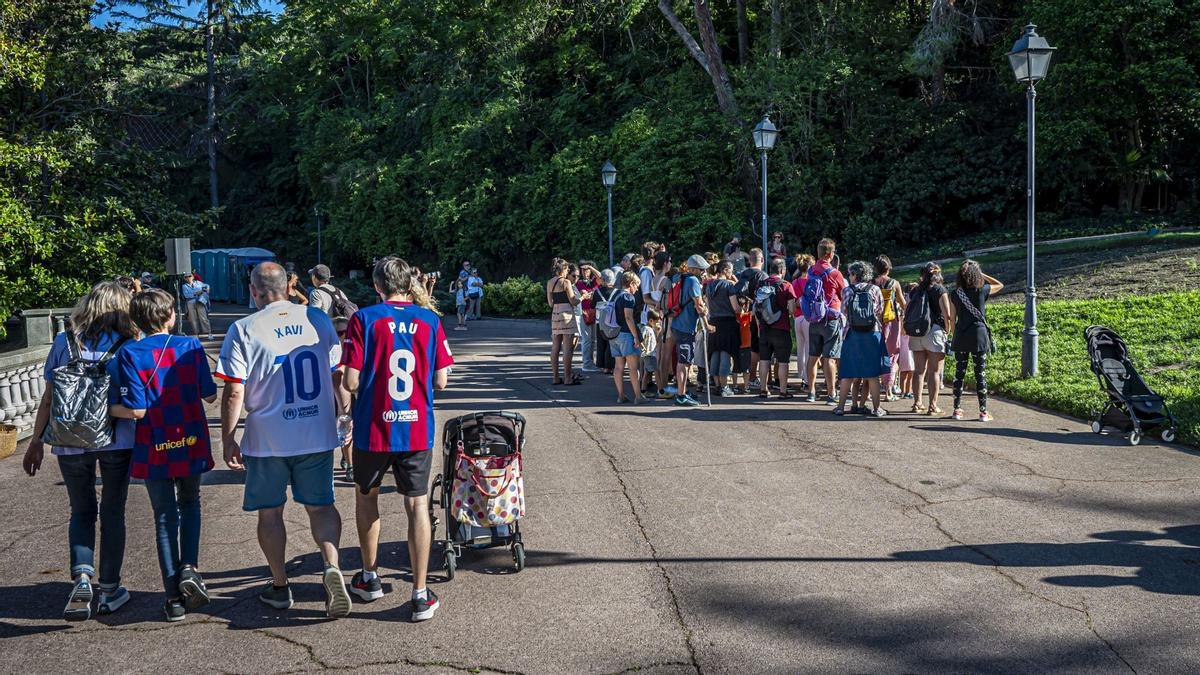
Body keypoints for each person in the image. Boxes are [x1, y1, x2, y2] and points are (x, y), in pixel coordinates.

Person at [216, 262, 353, 619]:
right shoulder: (318, 320)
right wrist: (343, 415)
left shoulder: (244, 328)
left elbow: (233, 391)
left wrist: (229, 438)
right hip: (316, 433)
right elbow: (336, 375)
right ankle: (332, 565)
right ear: (289, 287)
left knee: (270, 513)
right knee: (321, 507)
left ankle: (279, 586)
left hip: (268, 439)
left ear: (253, 290)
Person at [339, 256, 452, 621]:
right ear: (409, 284)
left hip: (374, 426)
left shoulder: (364, 319)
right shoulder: (430, 320)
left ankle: (369, 578)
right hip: (416, 426)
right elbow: (441, 381)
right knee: (418, 506)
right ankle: (419, 594)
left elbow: (351, 381)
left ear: (377, 286)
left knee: (366, 497)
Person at [23, 282, 138, 622]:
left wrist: (36, 441)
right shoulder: (129, 344)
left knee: (82, 510)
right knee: (113, 512)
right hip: (117, 439)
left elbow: (48, 397)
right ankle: (110, 589)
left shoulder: (64, 342)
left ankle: (82, 575)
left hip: (68, 439)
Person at [105, 289, 217, 621]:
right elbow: (209, 396)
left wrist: (109, 408)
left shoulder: (129, 353)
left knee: (165, 517)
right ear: (170, 316)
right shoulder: (190, 346)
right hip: (190, 438)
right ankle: (190, 569)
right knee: (191, 502)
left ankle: (173, 599)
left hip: (154, 443)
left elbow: (136, 410)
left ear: (136, 320)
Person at [832, 261, 890, 417]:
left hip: (852, 334)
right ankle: (877, 409)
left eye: (850, 274)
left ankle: (840, 407)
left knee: (848, 373)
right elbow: (879, 311)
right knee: (872, 374)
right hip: (873, 334)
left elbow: (844, 312)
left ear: (855, 275)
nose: (849, 276)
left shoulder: (846, 291)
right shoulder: (875, 289)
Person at [950, 260, 1004, 422]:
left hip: (961, 334)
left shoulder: (955, 294)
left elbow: (952, 319)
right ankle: (983, 412)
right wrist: (981, 275)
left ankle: (957, 410)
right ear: (976, 275)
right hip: (979, 335)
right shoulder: (982, 290)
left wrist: (955, 336)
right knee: (980, 374)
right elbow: (1000, 285)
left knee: (959, 374)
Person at [804, 239, 847, 404]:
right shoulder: (835, 273)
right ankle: (831, 394)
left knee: (813, 356)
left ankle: (811, 392)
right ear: (830, 254)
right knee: (829, 357)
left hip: (814, 318)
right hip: (831, 318)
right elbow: (844, 294)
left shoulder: (811, 271)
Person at [909, 263, 953, 416]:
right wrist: (947, 330)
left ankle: (917, 403)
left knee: (919, 371)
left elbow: (909, 309)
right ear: (938, 275)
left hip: (916, 332)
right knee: (934, 372)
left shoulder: (915, 290)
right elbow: (947, 314)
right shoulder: (940, 290)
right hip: (934, 331)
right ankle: (932, 407)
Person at [756, 257, 798, 399]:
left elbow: (756, 307)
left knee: (764, 359)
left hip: (764, 327)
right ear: (782, 270)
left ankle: (763, 389)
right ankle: (783, 391)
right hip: (781, 328)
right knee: (783, 361)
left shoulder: (761, 284)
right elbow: (792, 310)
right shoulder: (786, 285)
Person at [671, 255, 708, 407]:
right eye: (701, 269)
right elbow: (699, 305)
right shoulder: (692, 281)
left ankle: (683, 391)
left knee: (684, 361)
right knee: (684, 362)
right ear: (693, 269)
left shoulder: (678, 277)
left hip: (677, 323)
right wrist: (707, 323)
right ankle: (681, 395)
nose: (704, 272)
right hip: (686, 326)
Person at [705, 261, 740, 397]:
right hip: (727, 322)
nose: (732, 273)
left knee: (715, 352)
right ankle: (725, 386)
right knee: (725, 353)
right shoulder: (728, 285)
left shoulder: (709, 286)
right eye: (731, 270)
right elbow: (736, 307)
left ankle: (717, 385)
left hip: (713, 321)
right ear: (725, 270)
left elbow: (708, 306)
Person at [873, 256, 905, 401]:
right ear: (889, 268)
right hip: (892, 323)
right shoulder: (894, 283)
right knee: (892, 356)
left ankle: (871, 390)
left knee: (875, 355)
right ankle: (888, 391)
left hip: (876, 323)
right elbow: (903, 303)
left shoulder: (872, 283)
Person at [608, 272, 644, 404]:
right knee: (633, 368)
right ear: (632, 284)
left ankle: (621, 396)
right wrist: (636, 336)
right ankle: (638, 397)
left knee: (618, 367)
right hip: (626, 334)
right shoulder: (628, 297)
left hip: (614, 334)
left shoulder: (615, 294)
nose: (637, 289)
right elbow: (628, 318)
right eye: (637, 286)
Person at [735, 248, 768, 389]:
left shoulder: (743, 274)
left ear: (749, 261)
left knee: (745, 346)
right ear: (762, 260)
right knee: (756, 348)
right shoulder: (763, 276)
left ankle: (747, 377)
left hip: (743, 315)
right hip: (757, 316)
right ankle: (753, 378)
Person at [546, 259, 583, 385]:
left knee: (555, 347)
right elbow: (573, 301)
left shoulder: (550, 282)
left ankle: (555, 377)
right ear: (564, 269)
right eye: (567, 269)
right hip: (567, 316)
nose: (568, 272)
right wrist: (583, 297)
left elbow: (550, 303)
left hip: (555, 315)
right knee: (567, 348)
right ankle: (567, 378)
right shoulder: (566, 282)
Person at [790, 254, 816, 391]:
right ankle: (808, 379)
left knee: (801, 350)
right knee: (809, 350)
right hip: (809, 318)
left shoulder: (795, 282)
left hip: (798, 318)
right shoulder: (813, 281)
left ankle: (802, 377)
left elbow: (793, 302)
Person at [576, 262, 602, 373]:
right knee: (586, 339)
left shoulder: (595, 282)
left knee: (592, 340)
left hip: (595, 312)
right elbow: (582, 295)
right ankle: (586, 364)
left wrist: (591, 267)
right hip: (584, 312)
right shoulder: (579, 283)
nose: (585, 272)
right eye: (583, 271)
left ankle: (590, 362)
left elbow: (600, 276)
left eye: (587, 270)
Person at [593, 270, 619, 375]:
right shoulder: (617, 291)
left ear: (603, 279)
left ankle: (602, 366)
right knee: (611, 343)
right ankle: (610, 366)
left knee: (601, 343)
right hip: (612, 321)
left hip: (600, 321)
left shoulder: (597, 292)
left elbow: (592, 305)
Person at [640, 308, 661, 393]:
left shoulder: (651, 329)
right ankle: (661, 391)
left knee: (647, 372)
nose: (657, 324)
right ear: (651, 320)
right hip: (649, 354)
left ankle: (643, 390)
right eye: (656, 322)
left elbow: (656, 340)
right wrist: (642, 347)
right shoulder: (646, 328)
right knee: (656, 371)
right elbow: (641, 338)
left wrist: (658, 332)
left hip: (650, 353)